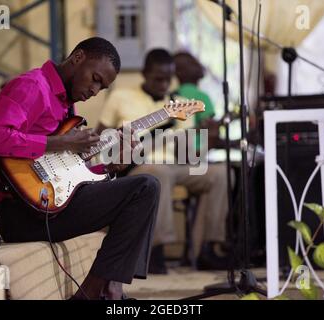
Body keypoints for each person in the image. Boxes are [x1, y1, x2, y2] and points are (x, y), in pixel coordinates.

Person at [0, 37, 160, 300]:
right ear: (78, 58)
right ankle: (98, 291)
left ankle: (105, 288)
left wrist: (111, 167)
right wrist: (60, 141)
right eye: (95, 78)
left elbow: (66, 172)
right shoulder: (32, 86)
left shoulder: (66, 104)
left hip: (50, 206)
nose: (95, 90)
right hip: (20, 215)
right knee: (146, 188)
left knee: (143, 189)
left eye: (102, 87)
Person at [96, 49, 230, 274]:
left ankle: (207, 248)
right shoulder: (121, 97)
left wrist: (209, 137)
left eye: (168, 79)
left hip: (176, 164)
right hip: (137, 166)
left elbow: (187, 155)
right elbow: (101, 137)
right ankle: (156, 250)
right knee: (158, 172)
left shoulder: (181, 104)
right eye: (158, 78)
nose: (163, 84)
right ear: (144, 73)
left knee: (221, 173)